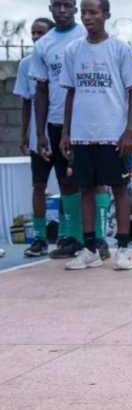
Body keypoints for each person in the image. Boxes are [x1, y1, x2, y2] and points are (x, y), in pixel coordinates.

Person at [58, 0, 132, 271]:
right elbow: (70, 93)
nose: (87, 17)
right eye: (83, 12)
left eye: (93, 12)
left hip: (113, 134)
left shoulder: (120, 49)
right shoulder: (73, 50)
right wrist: (65, 133)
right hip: (82, 134)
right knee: (85, 189)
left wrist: (129, 131)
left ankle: (122, 249)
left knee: (119, 188)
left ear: (106, 15)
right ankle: (90, 248)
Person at [32, 0, 88, 259]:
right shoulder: (43, 45)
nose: (62, 10)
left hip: (88, 122)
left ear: (75, 10)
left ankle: (95, 239)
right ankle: (73, 239)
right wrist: (40, 132)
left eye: (68, 6)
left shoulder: (86, 37)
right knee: (65, 181)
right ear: (51, 8)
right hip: (56, 122)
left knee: (91, 180)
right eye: (58, 5)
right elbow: (40, 91)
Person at [15, 17, 55, 257]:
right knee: (38, 185)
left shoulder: (61, 60)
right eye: (33, 33)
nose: (37, 37)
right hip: (38, 138)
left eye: (41, 33)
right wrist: (24, 133)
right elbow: (26, 102)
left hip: (62, 133)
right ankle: (40, 238)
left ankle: (70, 235)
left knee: (71, 185)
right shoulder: (25, 64)